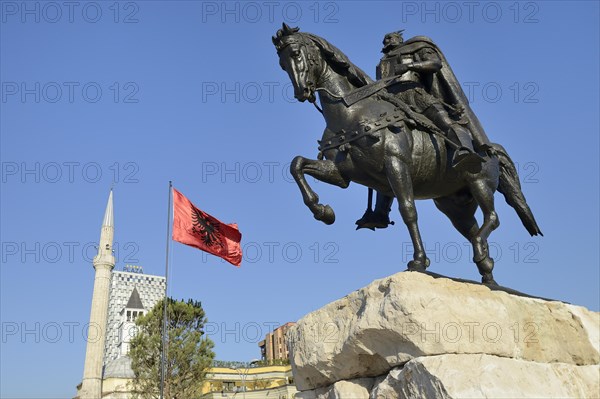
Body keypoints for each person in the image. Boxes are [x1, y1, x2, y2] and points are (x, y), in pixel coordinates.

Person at [356, 30, 487, 230]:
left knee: (446, 121)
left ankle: (465, 151)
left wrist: (410, 65)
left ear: (399, 39)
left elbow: (435, 64)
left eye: (391, 38)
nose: (387, 41)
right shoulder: (382, 62)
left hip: (415, 94)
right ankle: (380, 212)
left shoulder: (417, 47)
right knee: (385, 149)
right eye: (385, 40)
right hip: (391, 101)